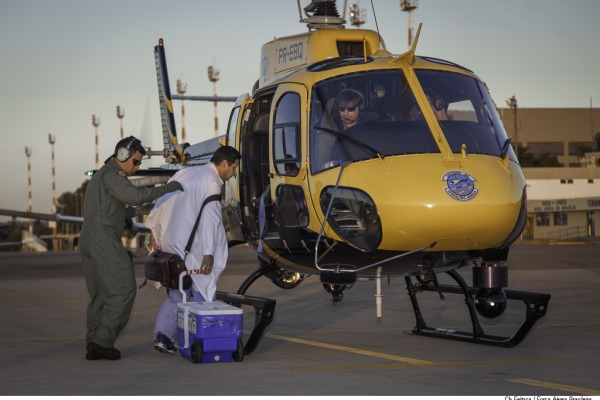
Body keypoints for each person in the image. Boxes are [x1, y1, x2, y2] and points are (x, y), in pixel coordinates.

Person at [80, 135, 184, 361]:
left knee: (101, 294)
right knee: (124, 288)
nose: (137, 167)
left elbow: (121, 210)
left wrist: (149, 206)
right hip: (103, 237)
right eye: (135, 162)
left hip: (89, 237)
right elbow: (135, 196)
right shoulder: (113, 175)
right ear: (122, 155)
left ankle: (93, 342)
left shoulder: (101, 176)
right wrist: (169, 188)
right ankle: (102, 342)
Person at [146, 145, 241, 354]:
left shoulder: (184, 172)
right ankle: (199, 342)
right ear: (223, 164)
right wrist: (208, 253)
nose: (234, 173)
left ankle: (162, 336)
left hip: (171, 247)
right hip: (193, 252)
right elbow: (210, 220)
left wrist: (153, 230)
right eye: (233, 168)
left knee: (176, 294)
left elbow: (160, 200)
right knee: (202, 295)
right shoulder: (212, 183)